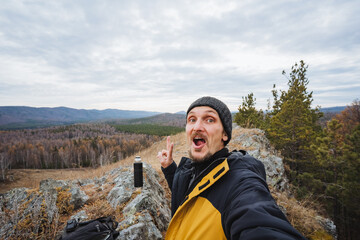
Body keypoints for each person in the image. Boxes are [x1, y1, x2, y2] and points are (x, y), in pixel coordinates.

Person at [157, 96, 306, 240]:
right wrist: (169, 167)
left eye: (209, 119)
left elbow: (259, 221)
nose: (197, 127)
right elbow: (186, 196)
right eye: (192, 119)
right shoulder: (194, 170)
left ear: (225, 134)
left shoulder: (240, 183)